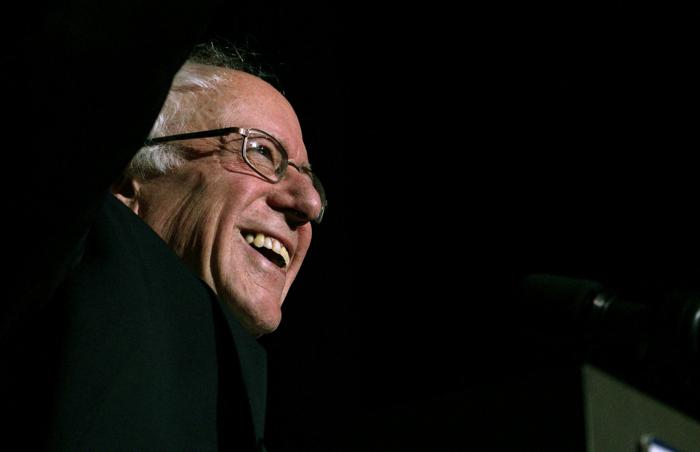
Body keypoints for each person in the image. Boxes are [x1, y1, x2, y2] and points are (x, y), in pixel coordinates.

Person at [2, 41, 326, 451]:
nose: (309, 204)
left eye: (310, 179)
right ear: (124, 179)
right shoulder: (62, 251)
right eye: (262, 152)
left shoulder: (238, 398)